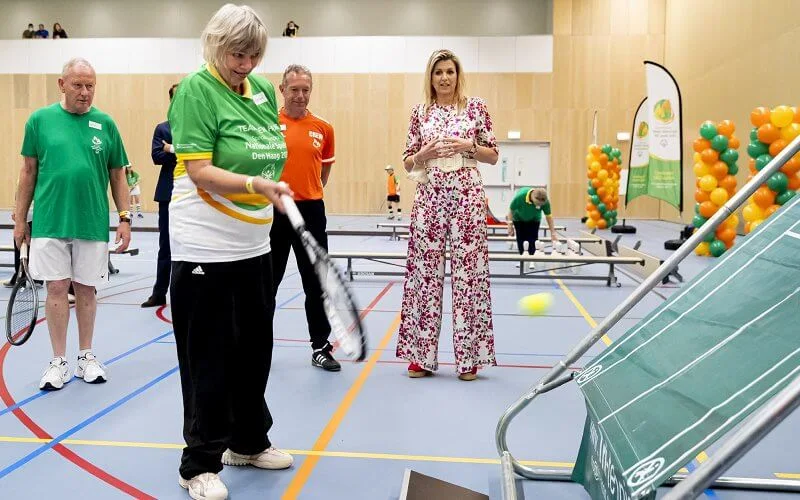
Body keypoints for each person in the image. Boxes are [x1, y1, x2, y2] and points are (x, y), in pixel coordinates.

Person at [168, 4, 294, 498]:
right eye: (237, 54)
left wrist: (273, 187)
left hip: (253, 242)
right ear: (215, 45)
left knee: (254, 349)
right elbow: (200, 171)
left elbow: (266, 153)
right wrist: (255, 182)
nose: (245, 64)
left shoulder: (263, 91)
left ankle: (246, 440)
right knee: (209, 357)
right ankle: (198, 463)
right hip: (205, 243)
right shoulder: (196, 91)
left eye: (253, 55)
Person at [14, 57, 131, 391]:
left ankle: (86, 356)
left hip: (92, 221)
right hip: (50, 220)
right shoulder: (39, 120)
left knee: (86, 289)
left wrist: (124, 218)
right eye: (78, 85)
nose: (85, 92)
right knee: (54, 288)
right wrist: (20, 219)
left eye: (90, 85)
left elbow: (117, 174)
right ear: (61, 84)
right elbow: (28, 172)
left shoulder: (106, 123)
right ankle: (59, 361)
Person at [395, 49, 499, 382]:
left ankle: (470, 358)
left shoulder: (475, 108)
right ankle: (420, 357)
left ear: (458, 75)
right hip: (429, 199)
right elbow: (408, 162)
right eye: (438, 72)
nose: (444, 77)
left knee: (470, 278)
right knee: (423, 277)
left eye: (450, 72)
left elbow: (493, 155)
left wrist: (465, 145)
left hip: (467, 197)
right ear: (431, 76)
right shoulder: (419, 112)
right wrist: (422, 154)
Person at [271, 64, 339, 372]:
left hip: (311, 212)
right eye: (294, 89)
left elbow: (323, 173)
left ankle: (321, 346)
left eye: (305, 90)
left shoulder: (324, 128)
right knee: (264, 284)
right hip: (273, 211)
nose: (300, 96)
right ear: (282, 90)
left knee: (316, 283)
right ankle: (255, 346)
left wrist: (306, 192)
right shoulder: (267, 124)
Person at [141, 84, 178, 308]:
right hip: (168, 194)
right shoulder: (162, 128)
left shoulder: (198, 127)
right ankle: (159, 292)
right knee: (165, 245)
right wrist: (180, 151)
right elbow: (156, 156)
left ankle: (187, 292)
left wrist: (172, 149)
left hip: (195, 195)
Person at [507, 187, 559, 255]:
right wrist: (510, 225)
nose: (539, 206)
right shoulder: (520, 197)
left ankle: (531, 259)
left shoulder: (545, 201)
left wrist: (553, 233)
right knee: (521, 239)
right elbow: (511, 210)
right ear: (533, 197)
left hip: (534, 219)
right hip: (518, 218)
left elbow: (549, 217)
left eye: (541, 205)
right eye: (537, 204)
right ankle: (522, 258)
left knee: (533, 239)